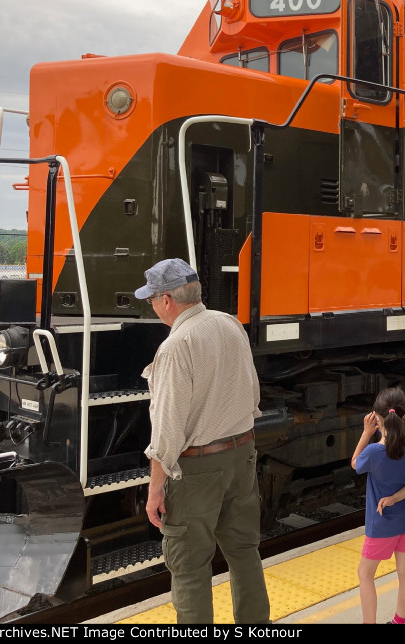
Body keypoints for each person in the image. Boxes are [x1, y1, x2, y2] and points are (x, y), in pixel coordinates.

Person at [138, 258, 270, 624]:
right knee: (244, 551)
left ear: (167, 300)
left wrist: (155, 489)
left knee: (190, 566)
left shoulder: (176, 345)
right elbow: (253, 393)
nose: (151, 306)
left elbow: (166, 430)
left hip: (198, 468)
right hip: (242, 452)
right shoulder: (230, 324)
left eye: (151, 299)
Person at [351, 387, 405, 625]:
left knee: (365, 574)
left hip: (382, 525)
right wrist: (395, 498)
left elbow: (354, 463)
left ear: (377, 418)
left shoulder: (373, 451)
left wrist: (365, 433)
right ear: (404, 417)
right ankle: (398, 622)